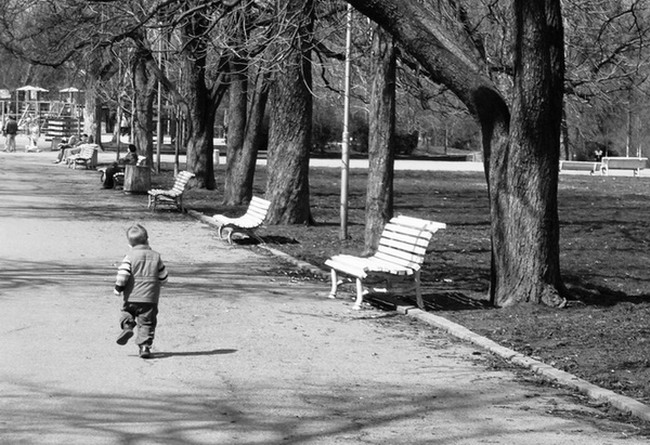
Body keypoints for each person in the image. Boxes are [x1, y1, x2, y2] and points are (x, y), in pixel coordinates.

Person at [114, 224, 168, 359]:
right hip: (150, 298)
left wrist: (118, 288)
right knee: (147, 323)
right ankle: (144, 347)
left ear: (129, 244)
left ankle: (128, 325)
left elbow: (123, 274)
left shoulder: (129, 256)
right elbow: (163, 276)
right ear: (147, 240)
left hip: (131, 297)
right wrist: (162, 282)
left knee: (127, 313)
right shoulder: (156, 257)